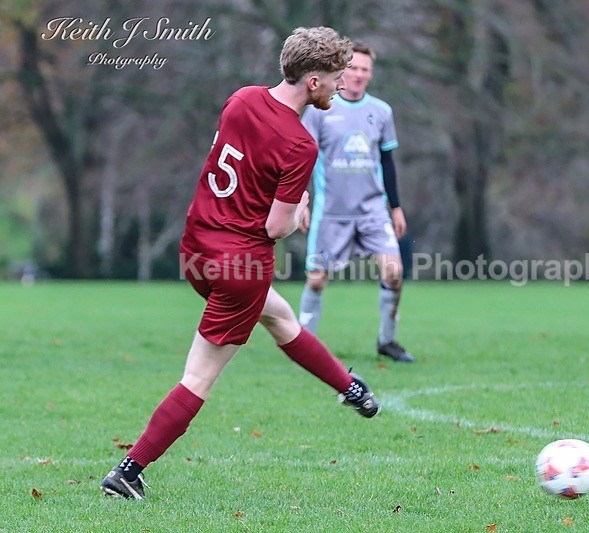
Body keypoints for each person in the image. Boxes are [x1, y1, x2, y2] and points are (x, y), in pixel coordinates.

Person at [101, 27, 379, 501]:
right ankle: (128, 471)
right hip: (240, 267)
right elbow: (276, 227)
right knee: (198, 378)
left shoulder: (242, 99)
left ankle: (351, 388)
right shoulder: (300, 145)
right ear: (313, 81)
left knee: (280, 317)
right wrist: (301, 207)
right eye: (336, 77)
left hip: (197, 249)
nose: (340, 85)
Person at [298, 41, 414, 363]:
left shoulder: (381, 111)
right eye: (353, 68)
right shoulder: (320, 110)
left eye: (365, 69)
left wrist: (396, 207)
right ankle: (301, 345)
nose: (359, 74)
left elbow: (387, 163)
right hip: (332, 213)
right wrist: (300, 200)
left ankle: (387, 341)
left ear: (371, 74)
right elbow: (303, 158)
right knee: (316, 281)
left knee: (394, 272)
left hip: (373, 211)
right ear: (341, 71)